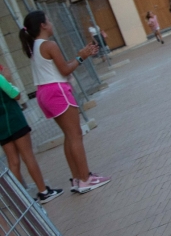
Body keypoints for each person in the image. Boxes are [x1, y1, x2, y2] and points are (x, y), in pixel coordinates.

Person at [19, 11, 111, 194]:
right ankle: (85, 178)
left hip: (44, 92)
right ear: (43, 25)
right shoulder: (49, 44)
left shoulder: (34, 46)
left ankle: (78, 178)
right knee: (75, 134)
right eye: (49, 20)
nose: (51, 23)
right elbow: (64, 69)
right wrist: (81, 57)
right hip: (57, 91)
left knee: (69, 135)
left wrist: (80, 55)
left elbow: (58, 67)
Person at [0, 65, 63, 203]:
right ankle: (44, 191)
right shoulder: (0, 78)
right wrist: (7, 79)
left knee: (13, 162)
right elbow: (16, 94)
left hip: (1, 127)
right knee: (28, 156)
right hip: (14, 120)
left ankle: (20, 200)